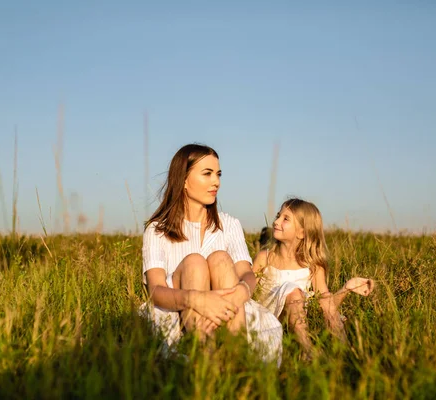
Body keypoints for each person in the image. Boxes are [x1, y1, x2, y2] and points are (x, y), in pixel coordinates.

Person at [140, 143, 282, 363]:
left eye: (218, 174)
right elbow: (155, 289)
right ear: (184, 180)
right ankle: (205, 357)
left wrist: (240, 292)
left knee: (220, 258)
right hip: (177, 311)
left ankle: (235, 354)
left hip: (229, 309)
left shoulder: (229, 224)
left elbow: (247, 273)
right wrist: (196, 299)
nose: (216, 181)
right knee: (195, 262)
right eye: (207, 174)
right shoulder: (158, 229)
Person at [253, 198, 374, 358]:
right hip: (266, 318)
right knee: (294, 292)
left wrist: (347, 288)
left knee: (311, 299)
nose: (276, 222)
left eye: (285, 219)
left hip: (294, 321)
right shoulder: (265, 258)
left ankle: (343, 353)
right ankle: (309, 351)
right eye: (278, 216)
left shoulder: (313, 266)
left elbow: (326, 304)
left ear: (302, 232)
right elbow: (247, 293)